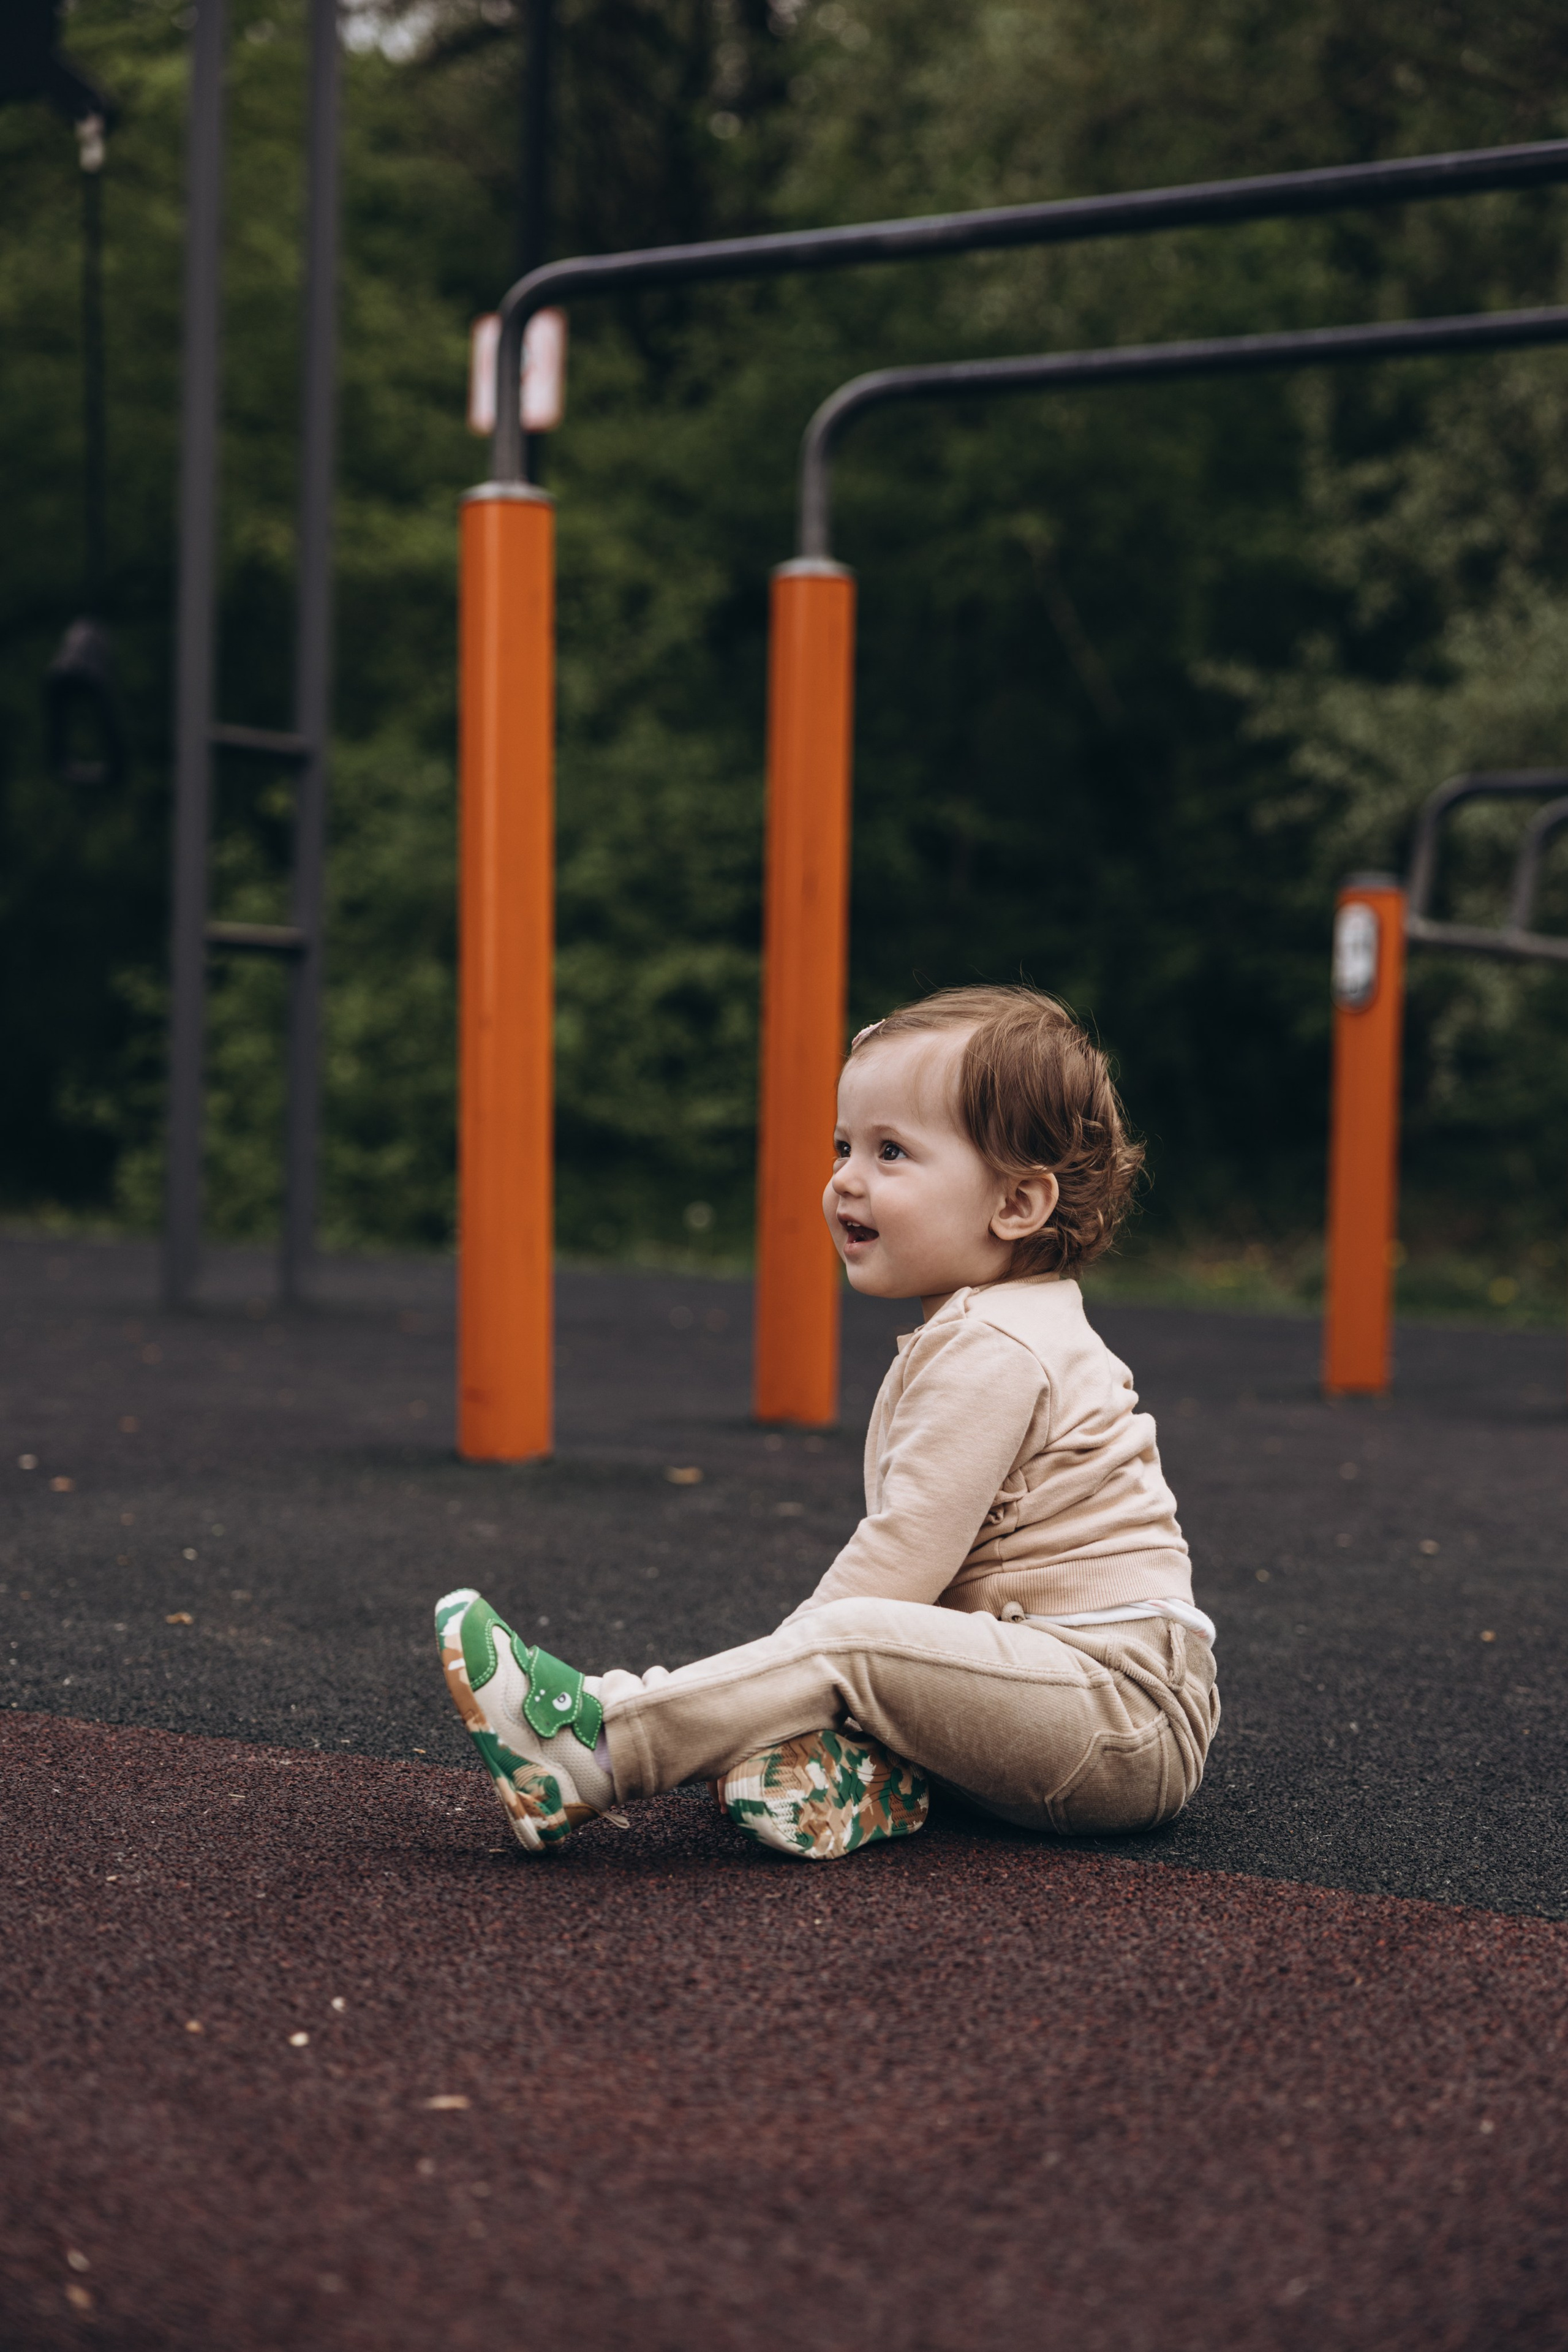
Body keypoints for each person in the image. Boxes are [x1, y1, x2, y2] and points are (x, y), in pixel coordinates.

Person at [434, 984, 1218, 1862]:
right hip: (1047, 1699)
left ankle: (598, 1746)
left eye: (892, 1152)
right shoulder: (995, 1328)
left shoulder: (998, 1347)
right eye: (845, 1146)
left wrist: (781, 1677)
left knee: (851, 1641)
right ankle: (851, 1779)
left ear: (1015, 1205)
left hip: (1118, 1714)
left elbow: (898, 1568)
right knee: (852, 1660)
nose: (846, 1178)